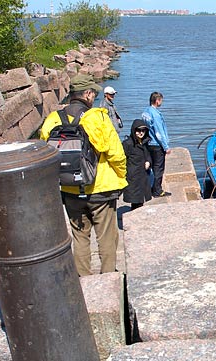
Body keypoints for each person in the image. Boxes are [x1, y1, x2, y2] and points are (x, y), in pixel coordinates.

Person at [40, 74, 127, 276]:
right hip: (100, 190)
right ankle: (108, 279)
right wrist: (121, 178)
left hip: (69, 188)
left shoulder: (52, 120)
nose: (94, 97)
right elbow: (116, 154)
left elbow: (45, 152)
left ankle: (85, 282)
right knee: (106, 237)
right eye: (94, 93)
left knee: (80, 237)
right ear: (87, 94)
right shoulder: (97, 117)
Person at [142, 91, 171, 198]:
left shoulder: (146, 112)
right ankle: (157, 191)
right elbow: (159, 132)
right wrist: (166, 147)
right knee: (158, 168)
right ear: (157, 100)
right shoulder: (155, 114)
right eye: (161, 100)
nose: (161, 102)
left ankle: (149, 187)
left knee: (150, 167)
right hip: (157, 145)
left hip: (148, 143)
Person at [122, 119, 152, 210]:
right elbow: (122, 160)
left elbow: (148, 155)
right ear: (134, 130)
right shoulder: (127, 144)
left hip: (142, 175)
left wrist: (148, 161)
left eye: (143, 130)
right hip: (133, 176)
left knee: (141, 200)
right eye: (138, 130)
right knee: (135, 200)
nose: (141, 133)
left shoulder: (144, 142)